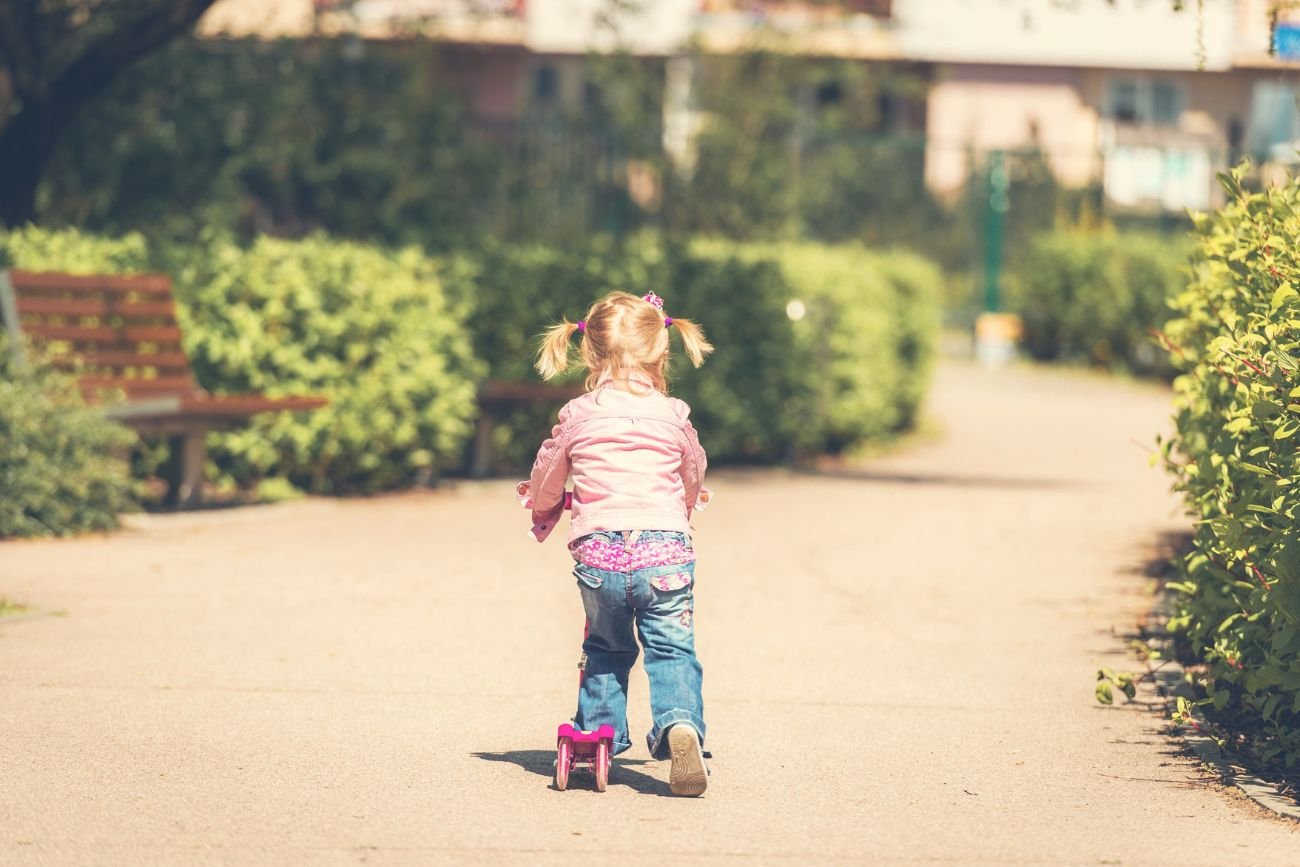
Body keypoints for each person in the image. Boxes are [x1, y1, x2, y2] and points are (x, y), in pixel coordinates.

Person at [526, 290, 714, 797]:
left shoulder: (578, 414)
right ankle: (680, 726)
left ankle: (596, 737)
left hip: (600, 554)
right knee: (672, 648)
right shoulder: (673, 414)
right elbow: (692, 470)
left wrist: (544, 506)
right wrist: (686, 505)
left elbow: (549, 472)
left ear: (589, 353)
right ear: (661, 352)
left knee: (606, 646)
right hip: (665, 553)